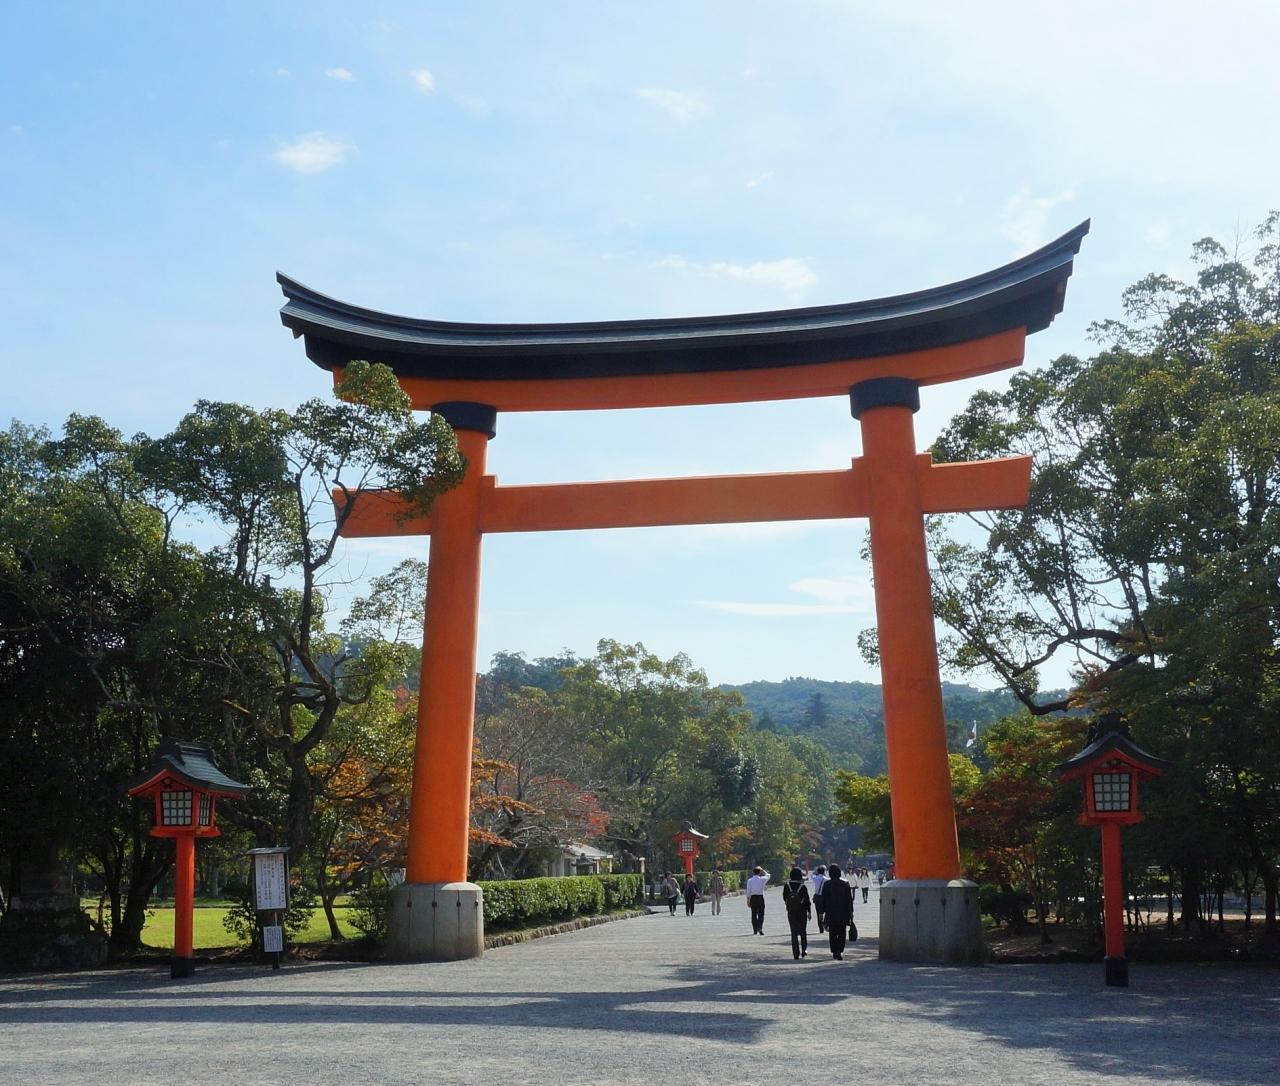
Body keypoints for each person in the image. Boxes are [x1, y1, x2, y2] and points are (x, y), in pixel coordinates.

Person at [822, 863, 855, 960]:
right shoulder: (845, 883)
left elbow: (823, 900)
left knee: (832, 932)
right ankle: (839, 950)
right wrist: (851, 911)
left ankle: (834, 951)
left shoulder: (827, 884)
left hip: (830, 912)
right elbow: (849, 899)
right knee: (842, 932)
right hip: (843, 912)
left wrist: (821, 912)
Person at [781, 866, 812, 960]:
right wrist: (809, 912)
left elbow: (785, 898)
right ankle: (804, 950)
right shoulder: (802, 886)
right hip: (802, 911)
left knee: (793, 932)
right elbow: (807, 900)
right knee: (803, 931)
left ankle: (795, 953)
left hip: (791, 911)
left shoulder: (787, 886)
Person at [745, 866, 771, 935]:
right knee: (761, 914)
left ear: (753, 872)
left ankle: (755, 929)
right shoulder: (762, 879)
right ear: (759, 872)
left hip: (753, 898)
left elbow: (748, 891)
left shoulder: (750, 880)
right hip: (760, 897)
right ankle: (760, 927)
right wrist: (763, 870)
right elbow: (768, 875)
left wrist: (748, 900)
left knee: (753, 914)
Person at [810, 864, 828, 933]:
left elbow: (812, 875)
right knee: (826, 911)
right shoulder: (826, 879)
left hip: (817, 897)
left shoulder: (815, 878)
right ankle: (825, 923)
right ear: (824, 871)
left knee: (818, 913)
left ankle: (820, 928)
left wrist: (815, 872)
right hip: (824, 897)